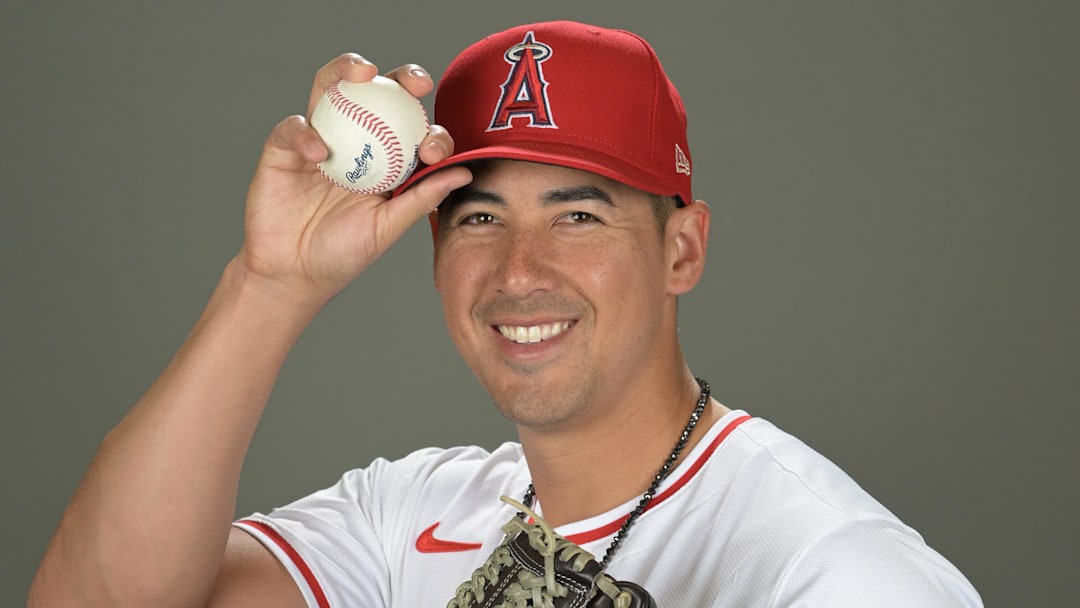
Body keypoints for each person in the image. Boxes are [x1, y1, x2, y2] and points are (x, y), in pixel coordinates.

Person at [29, 20, 982, 607]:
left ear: (681, 250)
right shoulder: (408, 518)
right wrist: (270, 283)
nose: (520, 271)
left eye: (578, 214)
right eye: (480, 216)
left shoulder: (828, 568)